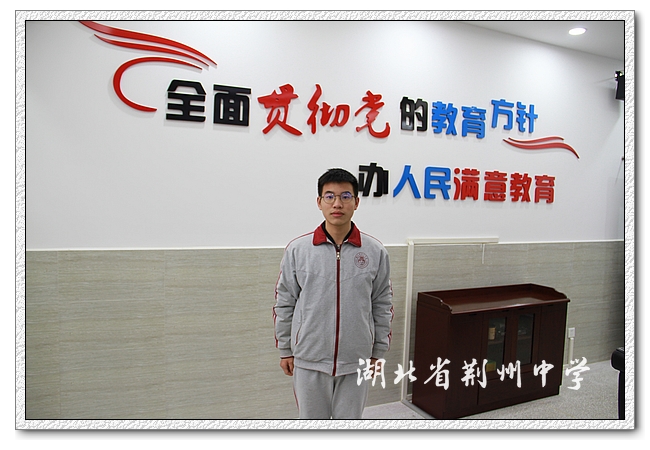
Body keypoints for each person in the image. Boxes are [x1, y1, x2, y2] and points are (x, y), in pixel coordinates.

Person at [273, 168, 393, 419]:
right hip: (309, 358)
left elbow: (382, 303)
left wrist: (378, 352)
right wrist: (286, 349)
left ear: (356, 202)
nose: (337, 203)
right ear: (319, 202)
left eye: (345, 196)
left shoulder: (375, 251)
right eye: (330, 196)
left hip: (356, 359)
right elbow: (284, 303)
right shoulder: (298, 250)